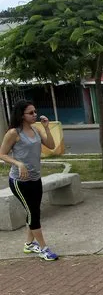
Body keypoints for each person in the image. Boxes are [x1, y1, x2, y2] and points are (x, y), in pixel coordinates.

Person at [0, 100, 58, 261]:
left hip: (35, 178)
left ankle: (28, 244)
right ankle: (43, 248)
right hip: (20, 181)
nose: (35, 115)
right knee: (33, 212)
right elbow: (2, 154)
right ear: (21, 115)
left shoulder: (36, 129)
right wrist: (18, 164)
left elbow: (52, 146)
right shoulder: (13, 133)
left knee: (33, 211)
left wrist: (47, 127)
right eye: (31, 113)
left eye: (35, 112)